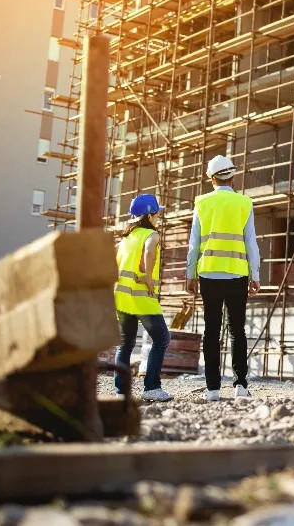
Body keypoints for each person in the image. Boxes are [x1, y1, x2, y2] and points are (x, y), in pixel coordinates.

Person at [186, 154, 261, 401]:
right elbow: (251, 242)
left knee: (211, 331)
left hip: (208, 274)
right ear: (233, 175)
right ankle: (240, 385)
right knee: (237, 330)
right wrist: (255, 274)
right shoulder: (244, 203)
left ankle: (212, 389)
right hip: (238, 273)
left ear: (211, 178)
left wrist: (190, 274)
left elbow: (194, 243)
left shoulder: (202, 203)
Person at [114, 193, 172, 402]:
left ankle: (121, 392)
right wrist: (147, 277)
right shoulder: (151, 236)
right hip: (142, 297)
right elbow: (149, 251)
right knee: (162, 339)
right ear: (150, 214)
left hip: (121, 297)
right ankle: (152, 388)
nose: (158, 217)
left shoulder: (127, 237)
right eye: (157, 213)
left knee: (125, 344)